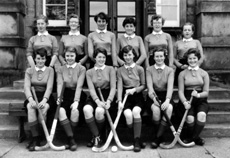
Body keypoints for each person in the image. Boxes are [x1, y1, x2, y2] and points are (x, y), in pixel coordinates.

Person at [83, 47, 116, 147]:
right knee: (86, 109)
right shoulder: (89, 72)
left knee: (99, 111)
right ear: (94, 58)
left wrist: (109, 101)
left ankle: (100, 134)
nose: (101, 59)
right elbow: (91, 89)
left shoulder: (110, 69)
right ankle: (96, 136)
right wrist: (97, 101)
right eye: (99, 57)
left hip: (107, 96)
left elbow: (113, 87)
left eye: (104, 57)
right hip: (95, 97)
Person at [24, 48, 55, 151]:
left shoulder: (50, 70)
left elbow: (50, 87)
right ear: (34, 59)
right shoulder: (29, 71)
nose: (40, 61)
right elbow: (26, 87)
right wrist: (31, 100)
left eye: (42, 58)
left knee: (43, 109)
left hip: (46, 97)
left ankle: (42, 135)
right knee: (30, 108)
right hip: (33, 96)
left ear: (46, 59)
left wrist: (44, 100)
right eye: (38, 58)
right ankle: (35, 138)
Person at [56, 47, 86, 151]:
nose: (69, 58)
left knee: (75, 111)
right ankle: (71, 138)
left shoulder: (81, 68)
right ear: (64, 56)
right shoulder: (60, 69)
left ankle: (70, 137)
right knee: (60, 111)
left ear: (75, 56)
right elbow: (60, 83)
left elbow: (79, 86)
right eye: (67, 56)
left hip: (77, 94)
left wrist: (76, 101)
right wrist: (59, 97)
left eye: (72, 56)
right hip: (65, 93)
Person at [177, 48, 209, 146]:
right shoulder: (182, 74)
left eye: (194, 58)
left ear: (198, 59)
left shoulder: (204, 73)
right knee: (190, 118)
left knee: (201, 115)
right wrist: (185, 102)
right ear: (187, 60)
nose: (192, 61)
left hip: (200, 99)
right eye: (190, 59)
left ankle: (193, 138)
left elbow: (206, 92)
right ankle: (196, 138)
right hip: (187, 98)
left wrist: (198, 95)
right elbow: (180, 91)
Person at [117, 45, 146, 152]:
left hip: (137, 96)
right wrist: (119, 101)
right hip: (126, 97)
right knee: (128, 115)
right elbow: (119, 86)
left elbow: (144, 85)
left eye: (129, 55)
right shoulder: (119, 70)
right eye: (125, 55)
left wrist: (135, 90)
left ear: (134, 55)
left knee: (135, 112)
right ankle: (136, 136)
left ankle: (137, 140)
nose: (128, 57)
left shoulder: (140, 69)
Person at [146, 48, 174, 148]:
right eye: (157, 56)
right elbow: (150, 88)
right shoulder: (149, 69)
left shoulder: (170, 70)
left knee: (169, 108)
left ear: (164, 57)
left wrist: (167, 100)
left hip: (166, 95)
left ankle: (158, 137)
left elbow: (170, 87)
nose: (159, 58)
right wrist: (154, 99)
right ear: (153, 57)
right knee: (156, 110)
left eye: (161, 56)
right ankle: (158, 136)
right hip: (154, 96)